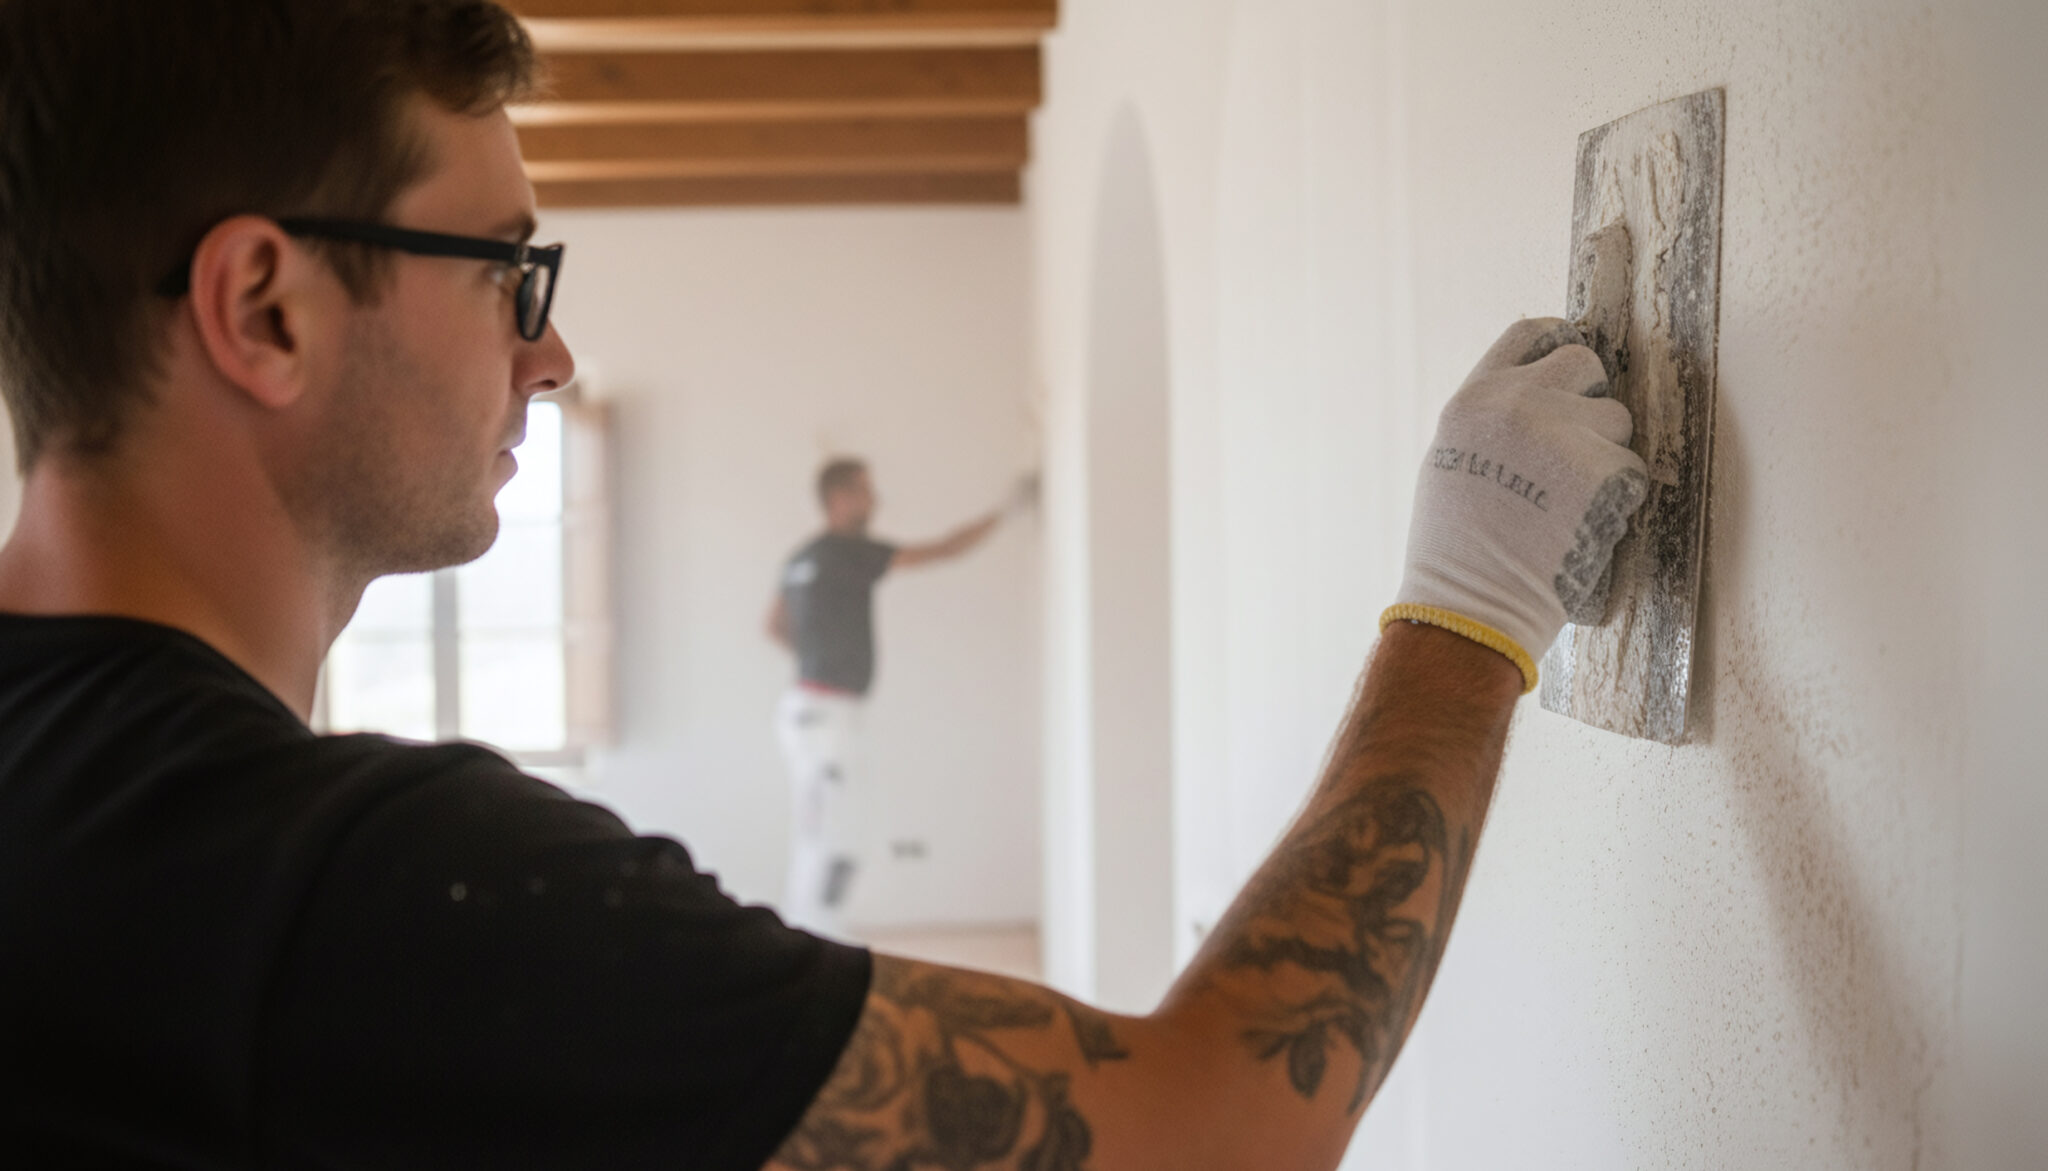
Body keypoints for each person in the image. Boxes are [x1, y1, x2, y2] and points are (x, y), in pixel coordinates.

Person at [0, 2, 1645, 1167]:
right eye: (508, 273)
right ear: (264, 308)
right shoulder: (378, 903)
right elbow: (1208, 1133)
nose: (553, 354)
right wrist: (1467, 604)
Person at [765, 458, 1032, 936]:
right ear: (839, 497)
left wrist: (818, 657)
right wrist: (1007, 511)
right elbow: (943, 550)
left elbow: (774, 626)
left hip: (803, 712)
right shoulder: (851, 553)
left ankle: (806, 935)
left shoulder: (801, 558)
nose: (876, 501)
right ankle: (815, 941)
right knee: (839, 838)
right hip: (829, 720)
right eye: (866, 491)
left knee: (817, 834)